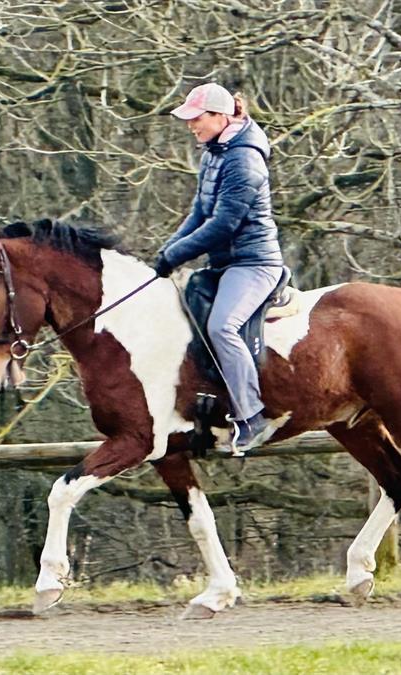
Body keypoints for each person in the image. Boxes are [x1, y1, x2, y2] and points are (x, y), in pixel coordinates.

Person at [153, 82, 284, 455]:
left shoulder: (244, 159)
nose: (191, 126)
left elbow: (224, 224)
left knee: (221, 327)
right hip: (224, 263)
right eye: (190, 120)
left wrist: (176, 256)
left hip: (253, 263)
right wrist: (168, 250)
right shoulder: (214, 151)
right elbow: (199, 212)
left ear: (220, 116)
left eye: (197, 119)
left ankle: (251, 416)